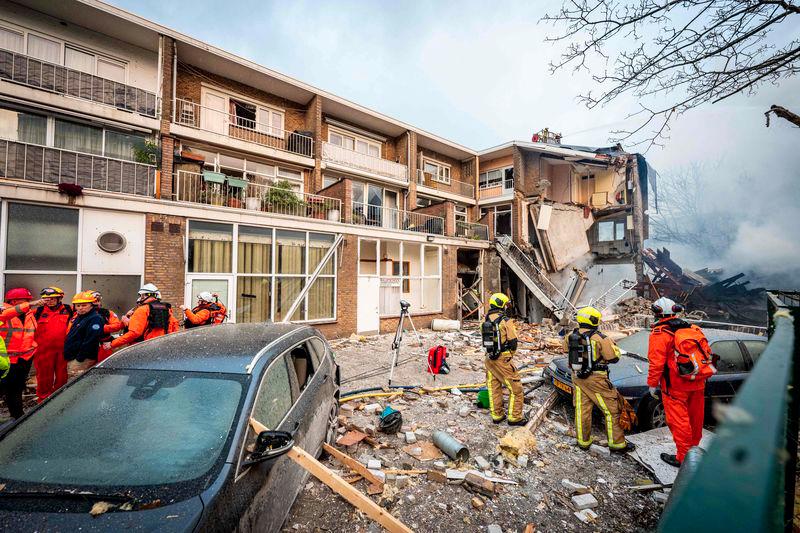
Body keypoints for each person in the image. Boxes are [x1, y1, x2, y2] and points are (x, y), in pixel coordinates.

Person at [647, 297, 708, 467]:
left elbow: (656, 362)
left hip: (675, 386)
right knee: (696, 419)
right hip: (698, 381)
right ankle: (693, 451)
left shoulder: (660, 333)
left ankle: (683, 458)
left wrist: (652, 384)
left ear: (657, 313)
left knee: (679, 422)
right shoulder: (693, 328)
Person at [565, 306, 636, 453]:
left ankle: (583, 442)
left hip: (577, 377)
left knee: (582, 410)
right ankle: (617, 444)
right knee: (612, 411)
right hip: (597, 379)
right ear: (594, 321)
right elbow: (613, 358)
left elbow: (565, 349)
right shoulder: (601, 338)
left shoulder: (570, 335)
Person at [482, 292, 528, 425]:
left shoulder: (485, 320)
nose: (507, 307)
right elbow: (513, 342)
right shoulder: (506, 321)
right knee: (516, 389)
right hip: (503, 358)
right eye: (506, 304)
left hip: (489, 358)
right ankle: (515, 417)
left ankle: (497, 415)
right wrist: (509, 355)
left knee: (494, 387)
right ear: (501, 305)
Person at [0, 288, 43, 418]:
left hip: (24, 359)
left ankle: (18, 417)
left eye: (28, 301)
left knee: (16, 389)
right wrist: (29, 305)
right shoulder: (3, 312)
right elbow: (7, 314)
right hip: (6, 361)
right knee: (5, 389)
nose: (28, 303)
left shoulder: (30, 314)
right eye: (25, 301)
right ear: (13, 301)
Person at [104, 283, 178, 352]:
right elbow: (174, 327)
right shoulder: (166, 309)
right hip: (162, 347)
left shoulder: (142, 310)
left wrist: (112, 344)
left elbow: (134, 333)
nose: (141, 298)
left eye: (142, 295)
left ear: (149, 295)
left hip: (142, 348)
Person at [32, 287, 72, 402]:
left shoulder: (69, 310)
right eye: (46, 299)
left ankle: (59, 399)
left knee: (62, 376)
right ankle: (43, 401)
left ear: (59, 298)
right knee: (44, 377)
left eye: (52, 299)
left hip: (62, 350)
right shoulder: (38, 312)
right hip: (43, 351)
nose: (49, 301)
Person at [64, 291, 104, 374]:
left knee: (76, 382)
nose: (80, 308)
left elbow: (91, 340)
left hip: (83, 359)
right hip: (73, 357)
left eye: (84, 305)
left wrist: (80, 358)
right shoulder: (80, 317)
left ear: (91, 305)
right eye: (78, 305)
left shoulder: (95, 318)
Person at [91, 291, 123, 363]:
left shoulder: (107, 313)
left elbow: (117, 326)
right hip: (87, 345)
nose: (96, 303)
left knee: (103, 365)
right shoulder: (82, 313)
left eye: (98, 300)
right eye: (94, 301)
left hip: (104, 344)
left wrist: (102, 328)